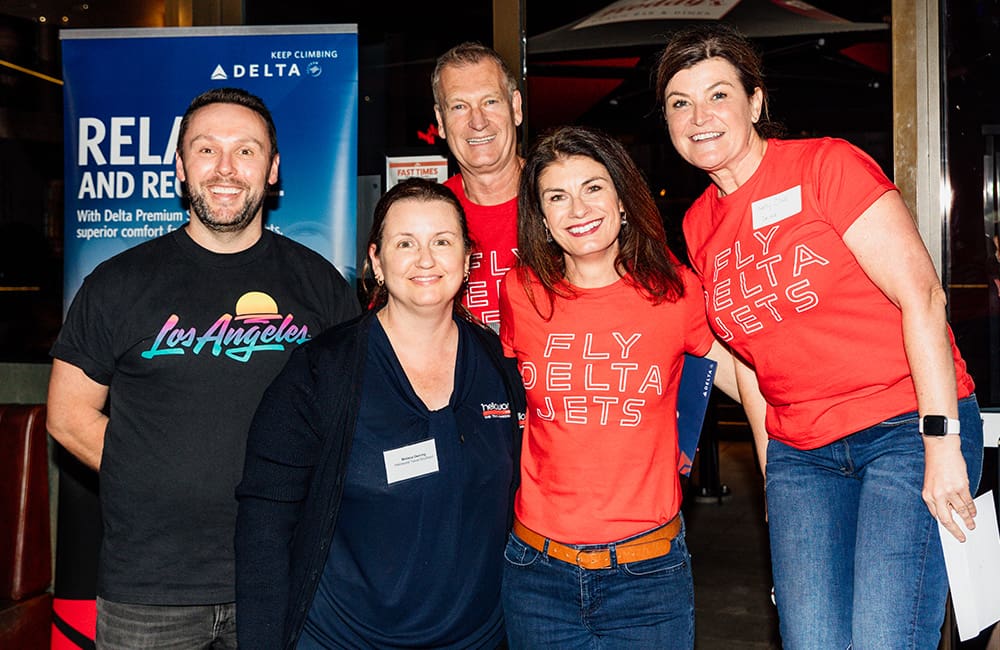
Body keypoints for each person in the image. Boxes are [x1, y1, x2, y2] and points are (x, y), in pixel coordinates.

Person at [654, 24, 984, 649]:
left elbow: (924, 296)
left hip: (904, 429)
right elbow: (750, 369)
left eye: (718, 95)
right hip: (802, 458)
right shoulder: (699, 225)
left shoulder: (823, 165)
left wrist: (943, 444)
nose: (699, 116)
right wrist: (773, 477)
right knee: (811, 642)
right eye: (680, 102)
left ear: (754, 103)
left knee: (885, 638)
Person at [46, 86, 360, 648]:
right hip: (149, 586)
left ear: (273, 170)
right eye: (206, 149)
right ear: (180, 166)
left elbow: (350, 416)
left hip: (282, 575)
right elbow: (68, 416)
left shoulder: (322, 287)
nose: (225, 168)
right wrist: (150, 475)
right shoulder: (116, 285)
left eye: (246, 150)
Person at [234, 177, 526, 649]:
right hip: (343, 638)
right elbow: (264, 525)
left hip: (479, 639)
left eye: (442, 242)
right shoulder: (321, 371)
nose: (425, 259)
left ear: (467, 258)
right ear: (376, 261)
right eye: (405, 242)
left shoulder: (500, 364)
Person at [498, 125, 744, 648]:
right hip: (535, 573)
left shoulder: (675, 293)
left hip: (647, 576)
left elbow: (750, 380)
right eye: (556, 197)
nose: (577, 209)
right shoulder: (519, 293)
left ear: (623, 200)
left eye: (592, 188)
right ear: (541, 219)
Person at [432, 41, 522, 329]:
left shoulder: (571, 203)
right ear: (441, 122)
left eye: (490, 101)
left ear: (516, 107)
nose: (478, 121)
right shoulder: (426, 217)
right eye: (459, 106)